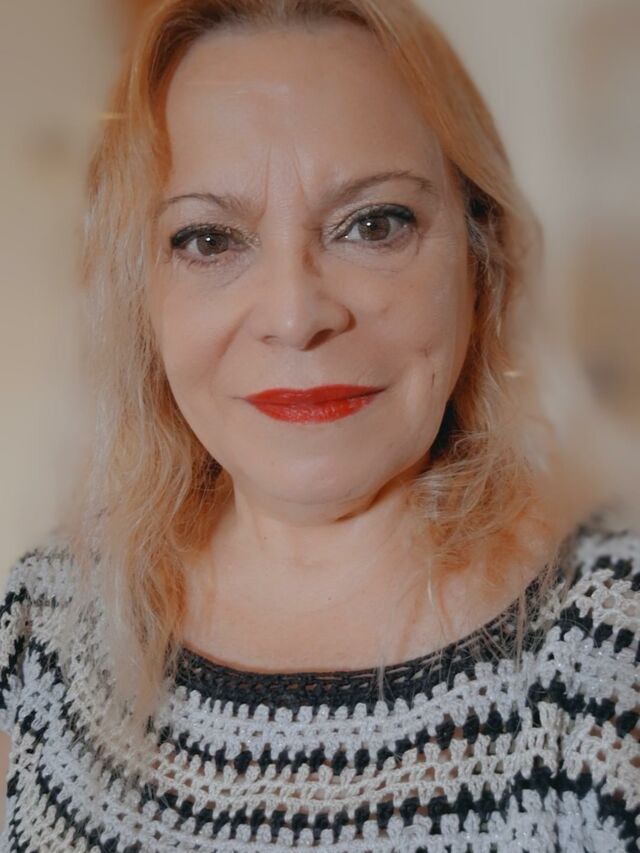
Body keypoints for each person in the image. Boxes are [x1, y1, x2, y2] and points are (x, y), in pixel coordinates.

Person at [0, 0, 638, 850]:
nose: (295, 315)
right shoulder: (51, 609)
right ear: (139, 295)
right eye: (208, 240)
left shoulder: (610, 651)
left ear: (481, 261)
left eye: (374, 224)